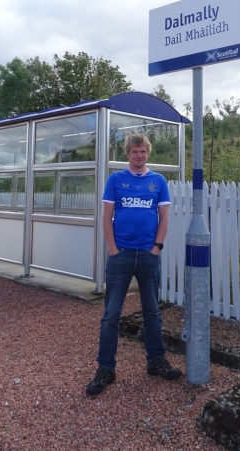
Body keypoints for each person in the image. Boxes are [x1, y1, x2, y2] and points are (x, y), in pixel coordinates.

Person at [86, 133, 182, 395]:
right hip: (122, 255)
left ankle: (156, 361)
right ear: (127, 154)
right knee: (111, 314)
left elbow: (164, 218)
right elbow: (107, 217)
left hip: (148, 256)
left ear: (148, 152)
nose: (139, 155)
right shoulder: (116, 180)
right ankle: (106, 367)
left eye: (143, 151)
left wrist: (156, 248)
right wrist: (113, 250)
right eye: (134, 151)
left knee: (152, 312)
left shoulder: (158, 181)